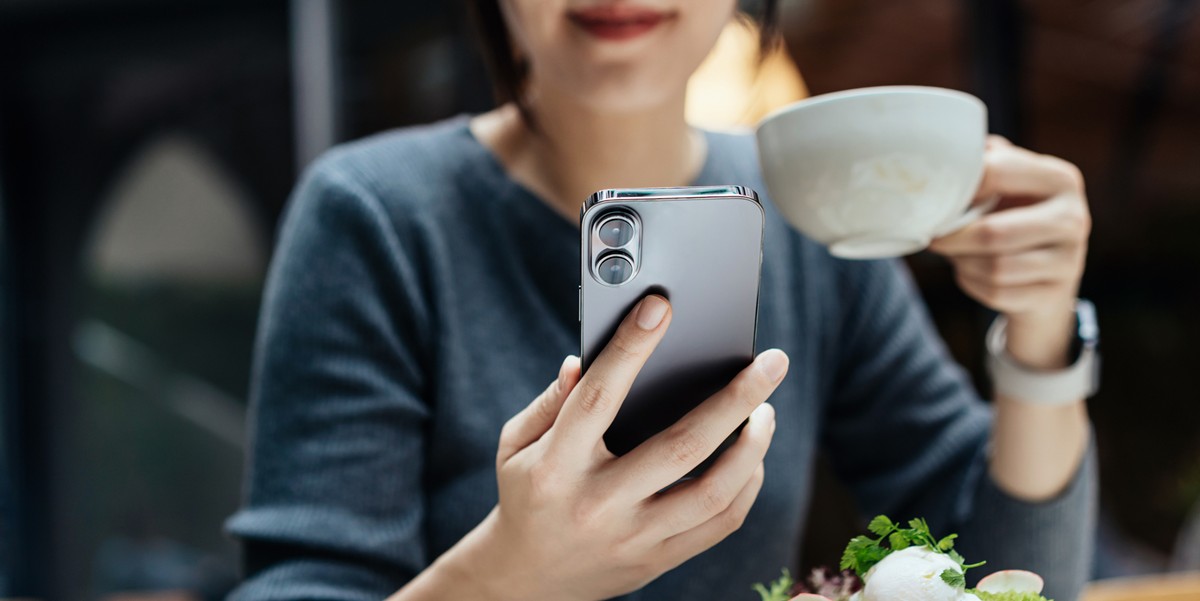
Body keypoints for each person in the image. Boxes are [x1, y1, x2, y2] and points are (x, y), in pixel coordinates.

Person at [226, 1, 1098, 600]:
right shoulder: (375, 217)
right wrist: (513, 572)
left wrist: (1043, 333)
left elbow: (1012, 575)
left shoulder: (798, 205)